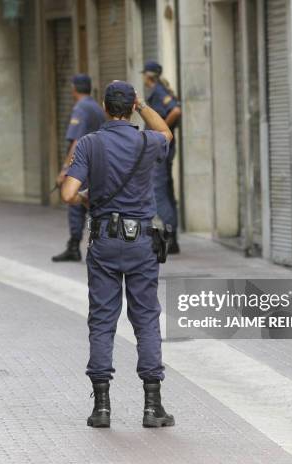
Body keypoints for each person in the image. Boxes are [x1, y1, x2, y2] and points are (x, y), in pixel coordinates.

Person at [61, 80, 175, 428]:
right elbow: (167, 131)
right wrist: (142, 105)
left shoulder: (90, 144)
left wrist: (89, 199)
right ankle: (152, 407)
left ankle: (102, 408)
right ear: (130, 107)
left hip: (104, 241)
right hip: (141, 242)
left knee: (102, 321)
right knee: (146, 320)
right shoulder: (147, 141)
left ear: (105, 107)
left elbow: (68, 193)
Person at [52, 74, 106, 262]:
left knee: (76, 203)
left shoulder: (81, 108)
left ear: (74, 88)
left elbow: (77, 141)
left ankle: (74, 246)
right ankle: (100, 242)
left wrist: (66, 169)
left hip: (83, 165)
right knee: (93, 202)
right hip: (98, 164)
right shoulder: (98, 108)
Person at [142, 60, 182, 254]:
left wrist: (161, 131)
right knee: (166, 191)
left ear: (148, 76)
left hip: (160, 152)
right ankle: (172, 236)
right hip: (163, 151)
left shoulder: (158, 91)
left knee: (158, 191)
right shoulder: (158, 90)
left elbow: (175, 110)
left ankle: (170, 236)